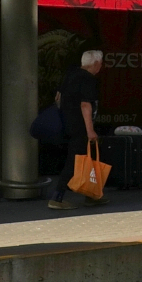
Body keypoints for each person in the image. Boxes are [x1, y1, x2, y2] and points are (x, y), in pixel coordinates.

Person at [49, 49, 103, 210]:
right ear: (95, 64)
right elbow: (85, 105)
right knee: (76, 160)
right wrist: (90, 130)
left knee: (87, 158)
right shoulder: (88, 79)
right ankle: (57, 197)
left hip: (68, 123)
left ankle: (91, 194)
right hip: (80, 126)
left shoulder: (71, 75)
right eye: (100, 63)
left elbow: (58, 97)